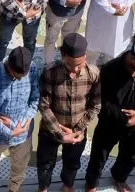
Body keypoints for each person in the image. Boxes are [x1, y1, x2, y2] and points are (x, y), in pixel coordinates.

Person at [86, 39, 135, 191]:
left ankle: (119, 177)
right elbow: (102, 102)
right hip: (111, 123)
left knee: (132, 155)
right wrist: (124, 119)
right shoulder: (109, 70)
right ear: (133, 58)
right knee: (99, 156)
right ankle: (92, 184)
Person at [36, 33, 100, 192]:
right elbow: (44, 105)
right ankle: (44, 187)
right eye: (70, 64)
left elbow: (95, 105)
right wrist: (60, 132)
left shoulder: (93, 74)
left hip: (77, 132)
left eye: (79, 65)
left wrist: (78, 129)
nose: (75, 69)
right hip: (50, 130)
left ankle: (68, 185)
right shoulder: (50, 72)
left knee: (72, 163)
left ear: (85, 56)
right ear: (62, 55)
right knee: (45, 163)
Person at [0, 47, 40, 192]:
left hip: (23, 135)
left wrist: (20, 125)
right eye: (17, 75)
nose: (20, 78)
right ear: (8, 66)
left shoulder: (32, 69)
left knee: (20, 167)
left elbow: (35, 100)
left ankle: (14, 189)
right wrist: (9, 131)